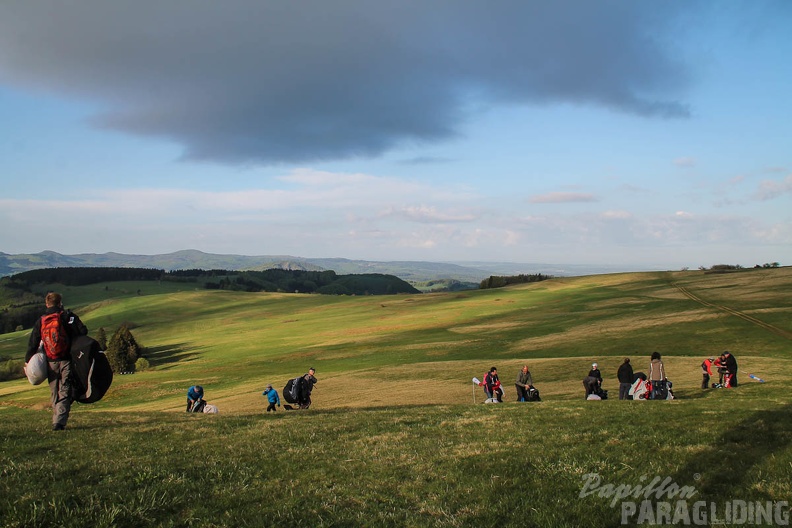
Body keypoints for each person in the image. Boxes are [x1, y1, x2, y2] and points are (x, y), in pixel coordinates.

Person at [25, 292, 88, 431]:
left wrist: (28, 361)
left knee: (54, 390)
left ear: (47, 304)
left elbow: (33, 343)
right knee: (64, 389)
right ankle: (59, 422)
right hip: (66, 359)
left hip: (50, 361)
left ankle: (57, 418)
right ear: (60, 302)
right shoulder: (67, 316)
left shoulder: (41, 320)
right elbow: (83, 331)